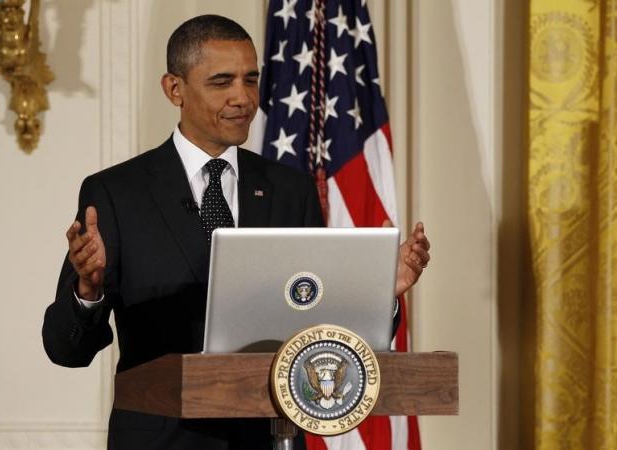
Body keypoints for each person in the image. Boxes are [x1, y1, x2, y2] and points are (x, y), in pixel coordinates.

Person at [42, 14, 430, 450]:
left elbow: (322, 327)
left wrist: (379, 293)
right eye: (221, 82)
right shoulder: (116, 193)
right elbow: (65, 350)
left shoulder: (290, 189)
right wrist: (87, 291)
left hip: (270, 438)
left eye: (250, 80)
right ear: (175, 89)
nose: (242, 97)